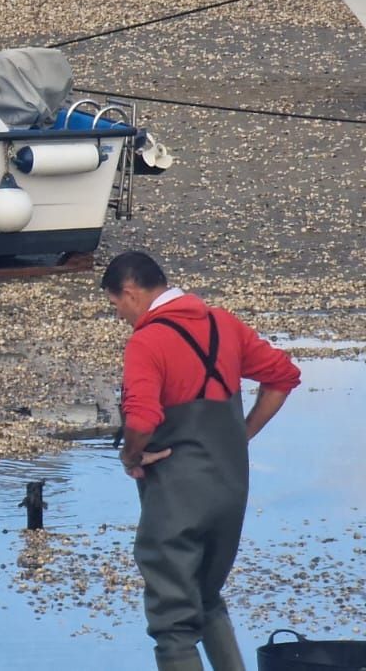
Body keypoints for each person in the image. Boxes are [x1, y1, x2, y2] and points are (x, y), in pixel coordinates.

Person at [102, 251, 300, 671]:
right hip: (230, 489)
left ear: (132, 291)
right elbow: (282, 376)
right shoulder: (222, 323)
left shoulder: (148, 340)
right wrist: (239, 436)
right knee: (206, 599)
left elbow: (142, 417)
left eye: (116, 304)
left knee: (173, 626)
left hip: (178, 497)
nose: (119, 315)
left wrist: (131, 455)